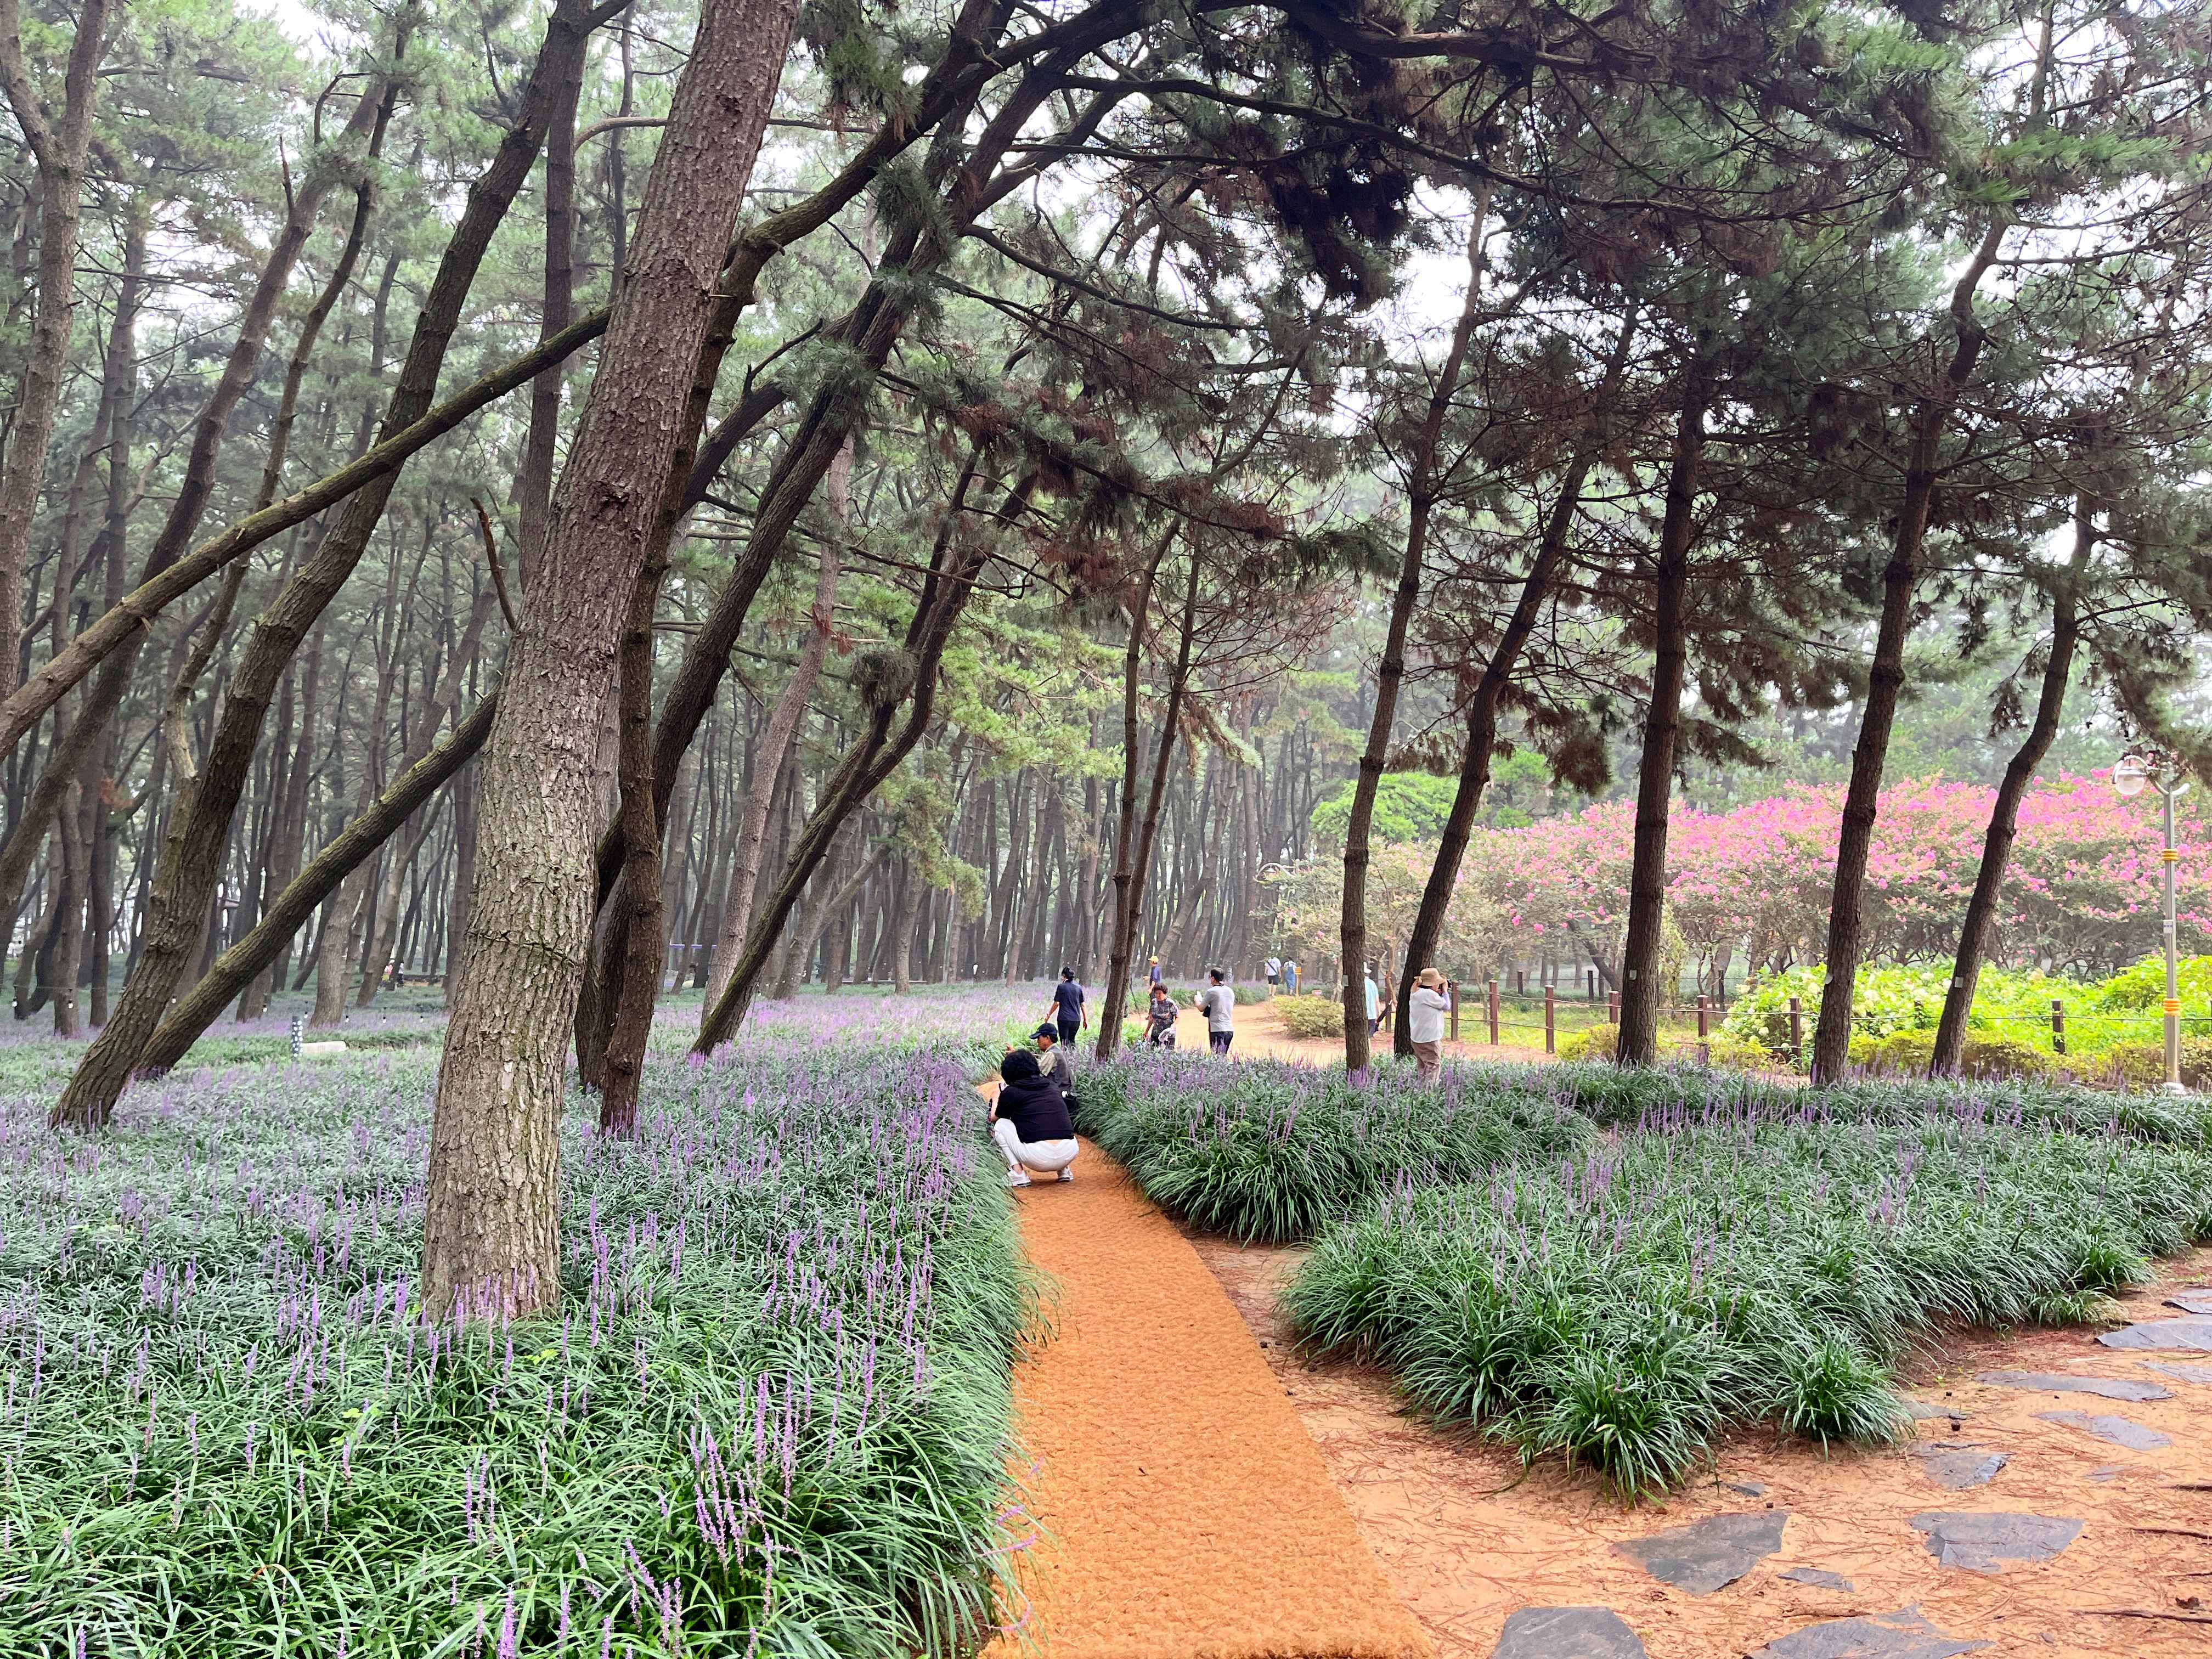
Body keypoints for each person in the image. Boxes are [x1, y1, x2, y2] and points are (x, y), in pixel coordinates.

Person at [991, 1049, 1077, 1187]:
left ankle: (1018, 1174)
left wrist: (996, 1097)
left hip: (1039, 1158)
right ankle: (1064, 1171)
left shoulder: (1011, 1092)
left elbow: (994, 1117)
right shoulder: (1052, 1086)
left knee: (1001, 1125)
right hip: (1070, 1151)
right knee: (1053, 1120)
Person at [1408, 967, 1453, 1077]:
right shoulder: (1429, 994)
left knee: (1423, 1069)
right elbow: (1447, 1006)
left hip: (1417, 1038)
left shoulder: (1416, 993)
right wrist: (1446, 992)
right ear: (1433, 984)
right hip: (1430, 1039)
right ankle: (1430, 1093)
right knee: (1433, 1068)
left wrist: (1438, 993)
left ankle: (1420, 1092)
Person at [1045, 968, 1087, 1048]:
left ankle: (1066, 1059)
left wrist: (1049, 1014)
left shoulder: (1061, 987)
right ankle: (1073, 1059)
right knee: (1072, 1041)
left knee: (1064, 1042)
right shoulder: (1078, 987)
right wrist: (1085, 1019)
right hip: (1076, 1020)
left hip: (1064, 1019)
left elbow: (1057, 1003)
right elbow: (1083, 1005)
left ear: (1064, 976)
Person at [1199, 968, 1235, 1056]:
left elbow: (1201, 1008)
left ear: (1213, 978)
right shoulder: (1230, 991)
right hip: (1229, 1029)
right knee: (1222, 1057)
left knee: (1216, 1058)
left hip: (1217, 1030)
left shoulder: (1212, 991)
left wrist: (1197, 999)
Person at [1027, 1023, 1073, 1092]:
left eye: (1039, 1038)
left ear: (1048, 1038)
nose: (1037, 1042)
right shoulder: (1057, 1051)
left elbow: (1036, 1071)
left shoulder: (1051, 1054)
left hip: (1057, 1094)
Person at [1146, 982, 1179, 1047]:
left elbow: (1178, 1017)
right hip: (1155, 1033)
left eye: (1160, 994)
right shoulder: (1154, 1002)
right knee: (1153, 1054)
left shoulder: (1170, 1003)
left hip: (1168, 1034)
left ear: (1164, 993)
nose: (1158, 995)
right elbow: (1151, 1018)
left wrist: (1173, 1027)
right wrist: (1147, 1031)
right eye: (1156, 993)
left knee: (1168, 1054)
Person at [1364, 966, 1381, 1036]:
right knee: (1369, 1037)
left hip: (1359, 1015)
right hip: (1371, 1015)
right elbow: (1377, 1001)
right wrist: (1378, 1015)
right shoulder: (1372, 984)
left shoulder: (1355, 984)